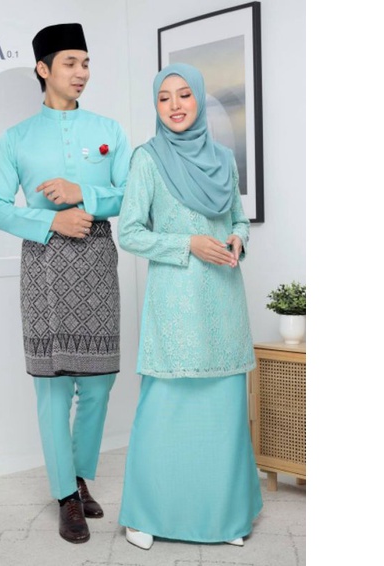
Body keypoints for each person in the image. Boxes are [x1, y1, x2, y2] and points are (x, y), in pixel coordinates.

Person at [0, 23, 131, 544]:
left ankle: (80, 475)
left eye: (85, 63)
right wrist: (51, 220)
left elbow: (131, 194)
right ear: (43, 69)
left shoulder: (110, 130)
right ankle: (66, 495)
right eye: (70, 63)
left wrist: (82, 193)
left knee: (99, 382)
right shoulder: (16, 138)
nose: (81, 72)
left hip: (96, 261)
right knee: (53, 385)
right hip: (46, 265)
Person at [117, 62, 262, 550]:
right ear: (155, 105)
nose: (175, 105)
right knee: (164, 414)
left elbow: (238, 219)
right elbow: (130, 232)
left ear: (199, 99)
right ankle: (144, 515)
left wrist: (238, 240)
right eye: (164, 97)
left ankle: (226, 517)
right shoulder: (147, 159)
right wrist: (188, 244)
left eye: (184, 95)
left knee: (222, 416)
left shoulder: (223, 159)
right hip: (175, 306)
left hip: (222, 298)